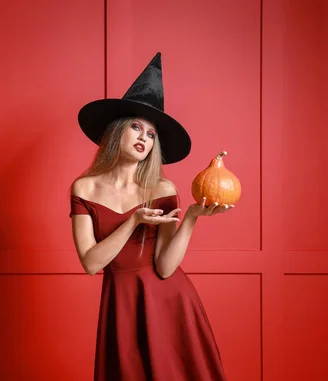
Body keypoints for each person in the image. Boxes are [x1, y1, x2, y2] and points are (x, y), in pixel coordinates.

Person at [69, 52, 232, 380]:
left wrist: (191, 218)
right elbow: (91, 264)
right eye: (135, 127)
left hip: (169, 301)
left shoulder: (162, 186)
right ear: (116, 131)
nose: (144, 137)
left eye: (151, 134)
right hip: (123, 303)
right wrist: (133, 221)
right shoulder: (84, 188)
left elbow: (165, 266)